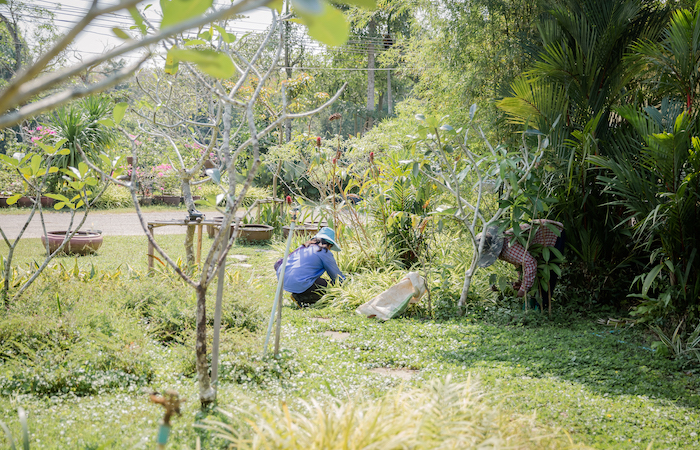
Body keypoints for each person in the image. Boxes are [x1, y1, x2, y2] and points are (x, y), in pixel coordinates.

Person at [475, 219, 565, 307]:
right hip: (542, 237)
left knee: (548, 274)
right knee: (535, 276)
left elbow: (530, 263)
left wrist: (522, 290)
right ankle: (536, 304)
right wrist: (521, 280)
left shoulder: (508, 248)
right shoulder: (505, 244)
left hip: (554, 233)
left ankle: (543, 306)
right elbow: (520, 262)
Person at [276, 227, 346, 307]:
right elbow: (336, 276)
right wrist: (345, 284)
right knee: (331, 285)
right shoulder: (324, 252)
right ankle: (302, 298)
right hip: (299, 281)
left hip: (283, 280)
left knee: (309, 280)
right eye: (331, 247)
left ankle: (298, 294)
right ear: (329, 244)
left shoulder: (303, 247)